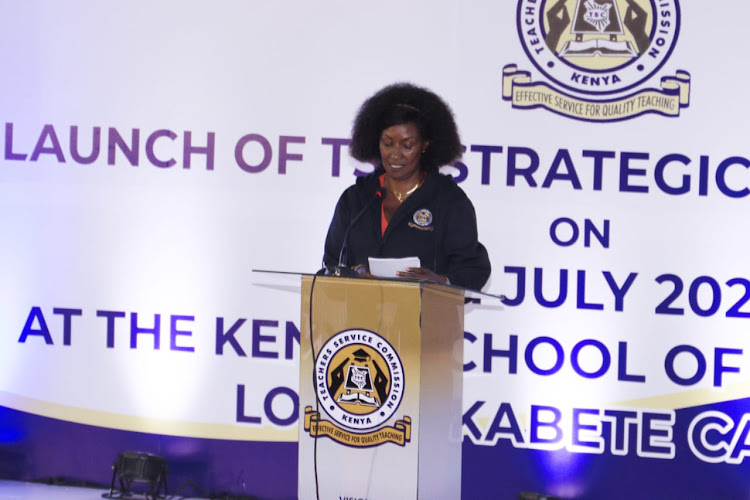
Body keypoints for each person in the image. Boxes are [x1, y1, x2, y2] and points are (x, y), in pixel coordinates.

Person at [322, 82, 491, 291]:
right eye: (387, 142)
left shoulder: (449, 201)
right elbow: (330, 264)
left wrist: (440, 282)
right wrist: (354, 274)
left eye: (407, 145)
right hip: (358, 318)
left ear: (425, 145)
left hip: (425, 318)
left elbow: (473, 269)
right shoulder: (355, 200)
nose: (396, 153)